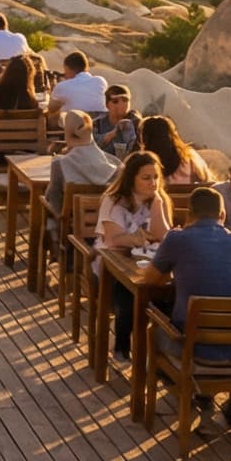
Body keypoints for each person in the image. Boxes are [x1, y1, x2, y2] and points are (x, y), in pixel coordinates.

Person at [152, 186, 231, 422]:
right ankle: (229, 402)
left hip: (196, 351)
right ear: (222, 215)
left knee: (154, 327)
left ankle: (179, 393)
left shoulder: (177, 239)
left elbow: (151, 279)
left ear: (189, 214)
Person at [97, 152, 171, 358]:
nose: (153, 183)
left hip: (146, 263)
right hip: (113, 262)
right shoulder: (113, 201)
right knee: (128, 292)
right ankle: (122, 345)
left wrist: (157, 206)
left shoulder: (158, 200)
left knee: (167, 292)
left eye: (156, 177)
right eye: (146, 178)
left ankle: (156, 354)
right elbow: (112, 240)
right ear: (132, 179)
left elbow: (164, 237)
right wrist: (134, 239)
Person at [46, 108, 118, 260]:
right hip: (106, 223)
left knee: (48, 204)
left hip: (73, 222)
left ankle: (55, 246)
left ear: (67, 133)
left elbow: (53, 197)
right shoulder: (113, 164)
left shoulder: (60, 163)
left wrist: (60, 215)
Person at [140, 115, 211, 193]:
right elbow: (207, 182)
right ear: (171, 135)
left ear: (145, 139)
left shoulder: (141, 165)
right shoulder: (189, 158)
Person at [92, 86, 141, 158]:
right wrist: (113, 133)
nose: (121, 105)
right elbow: (91, 145)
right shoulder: (97, 123)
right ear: (107, 105)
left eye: (125, 100)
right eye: (115, 101)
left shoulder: (137, 123)